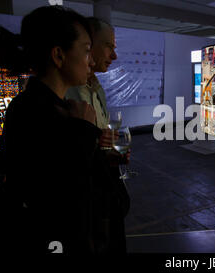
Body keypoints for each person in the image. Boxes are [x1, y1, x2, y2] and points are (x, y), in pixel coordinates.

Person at [0, 6, 101, 254]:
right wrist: (85, 130)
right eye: (87, 51)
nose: (92, 61)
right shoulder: (41, 112)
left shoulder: (36, 103)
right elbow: (64, 199)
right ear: (58, 56)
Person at [65, 17, 130, 254]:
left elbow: (99, 135)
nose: (114, 56)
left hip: (102, 188)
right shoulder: (67, 89)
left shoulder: (94, 85)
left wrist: (108, 149)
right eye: (109, 47)